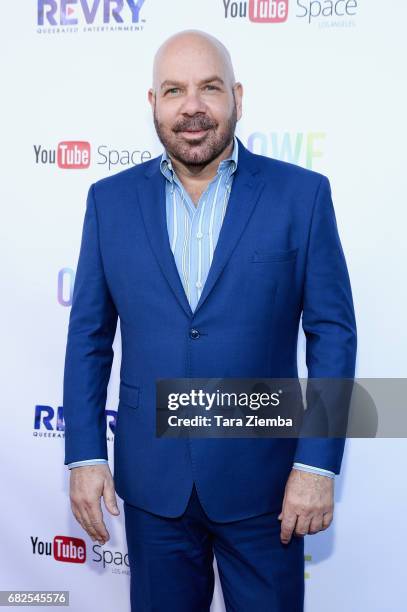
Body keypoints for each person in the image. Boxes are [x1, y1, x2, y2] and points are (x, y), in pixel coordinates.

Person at [63, 29, 357, 612]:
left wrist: (317, 462)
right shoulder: (108, 201)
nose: (192, 106)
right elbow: (90, 339)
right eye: (174, 90)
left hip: (268, 487)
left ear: (237, 98)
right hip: (152, 487)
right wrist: (87, 454)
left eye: (209, 88)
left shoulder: (302, 196)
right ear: (153, 104)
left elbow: (333, 335)